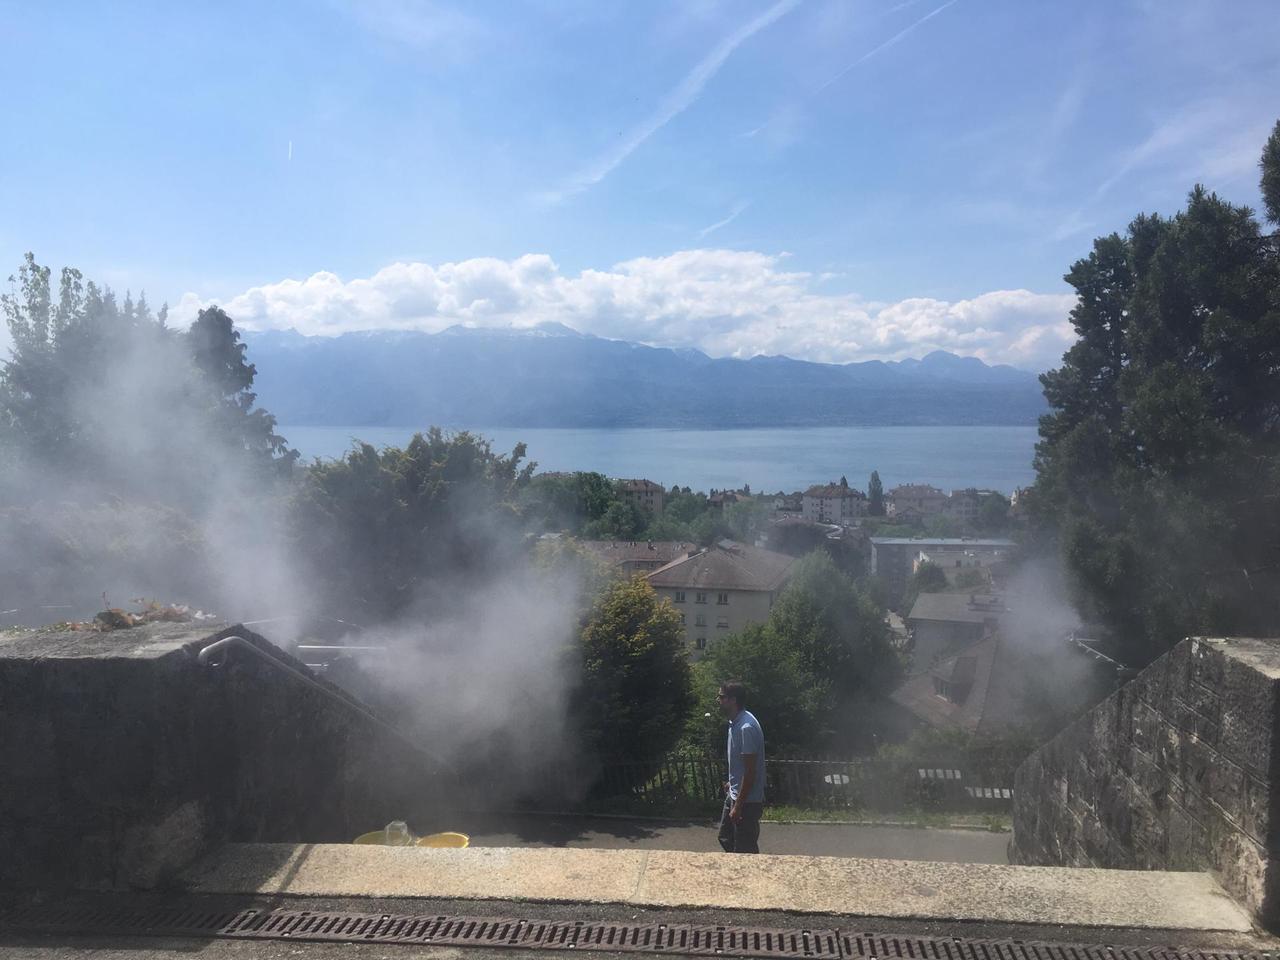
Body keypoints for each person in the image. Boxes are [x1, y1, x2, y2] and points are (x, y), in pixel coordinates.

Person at [716, 680, 765, 854]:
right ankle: (736, 875)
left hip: (747, 802)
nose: (718, 700)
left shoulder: (746, 727)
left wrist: (738, 806)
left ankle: (750, 879)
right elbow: (740, 765)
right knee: (725, 837)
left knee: (745, 851)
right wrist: (732, 783)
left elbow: (750, 772)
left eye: (721, 696)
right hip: (734, 794)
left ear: (733, 700)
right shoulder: (734, 723)